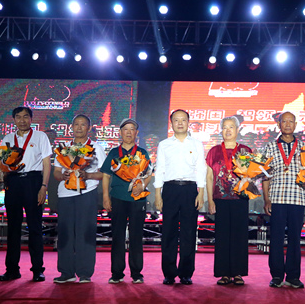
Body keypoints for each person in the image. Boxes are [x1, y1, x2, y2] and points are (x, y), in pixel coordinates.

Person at [0, 106, 52, 282]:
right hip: (13, 182)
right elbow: (0, 163)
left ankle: (37, 270)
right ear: (14, 120)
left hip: (33, 181)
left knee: (35, 227)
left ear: (31, 119)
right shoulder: (8, 138)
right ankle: (12, 270)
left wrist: (43, 187)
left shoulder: (40, 136)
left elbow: (47, 163)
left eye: (26, 116)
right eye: (18, 117)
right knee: (13, 228)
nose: (22, 120)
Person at [262, 111, 305, 288]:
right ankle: (277, 275)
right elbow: (265, 176)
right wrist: (266, 200)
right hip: (276, 198)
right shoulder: (270, 146)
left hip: (297, 198)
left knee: (295, 239)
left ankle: (293, 276)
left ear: (295, 125)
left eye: (290, 121)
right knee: (276, 239)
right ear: (279, 124)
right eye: (284, 121)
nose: (287, 124)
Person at [154, 109, 206, 285]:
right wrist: (158, 194)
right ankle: (169, 273)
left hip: (190, 190)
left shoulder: (197, 144)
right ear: (171, 123)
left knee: (188, 232)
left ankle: (186, 273)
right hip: (170, 189)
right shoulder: (164, 144)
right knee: (168, 232)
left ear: (188, 122)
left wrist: (201, 193)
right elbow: (160, 169)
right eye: (176, 120)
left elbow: (201, 169)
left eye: (183, 120)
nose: (180, 123)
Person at [53, 115, 105, 284]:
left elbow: (104, 174)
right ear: (71, 127)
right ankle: (66, 272)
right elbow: (56, 172)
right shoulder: (64, 148)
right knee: (65, 234)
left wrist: (88, 175)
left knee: (86, 233)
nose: (79, 127)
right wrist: (63, 176)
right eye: (76, 124)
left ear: (89, 128)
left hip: (87, 194)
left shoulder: (96, 148)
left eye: (83, 125)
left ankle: (84, 272)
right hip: (65, 195)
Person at [100, 118, 152, 284]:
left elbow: (149, 173)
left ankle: (136, 273)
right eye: (126, 129)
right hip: (118, 198)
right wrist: (106, 197)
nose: (129, 132)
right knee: (118, 235)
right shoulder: (114, 153)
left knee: (136, 235)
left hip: (137, 199)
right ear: (120, 132)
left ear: (136, 133)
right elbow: (106, 175)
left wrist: (142, 186)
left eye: (132, 129)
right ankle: (117, 273)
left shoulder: (142, 152)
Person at [206, 116, 252, 285]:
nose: (228, 130)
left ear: (237, 130)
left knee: (240, 236)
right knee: (222, 236)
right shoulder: (214, 151)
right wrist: (210, 200)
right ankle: (224, 273)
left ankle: (238, 273)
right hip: (220, 199)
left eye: (231, 127)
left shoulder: (245, 150)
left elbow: (252, 174)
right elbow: (209, 176)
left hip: (240, 198)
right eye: (225, 127)